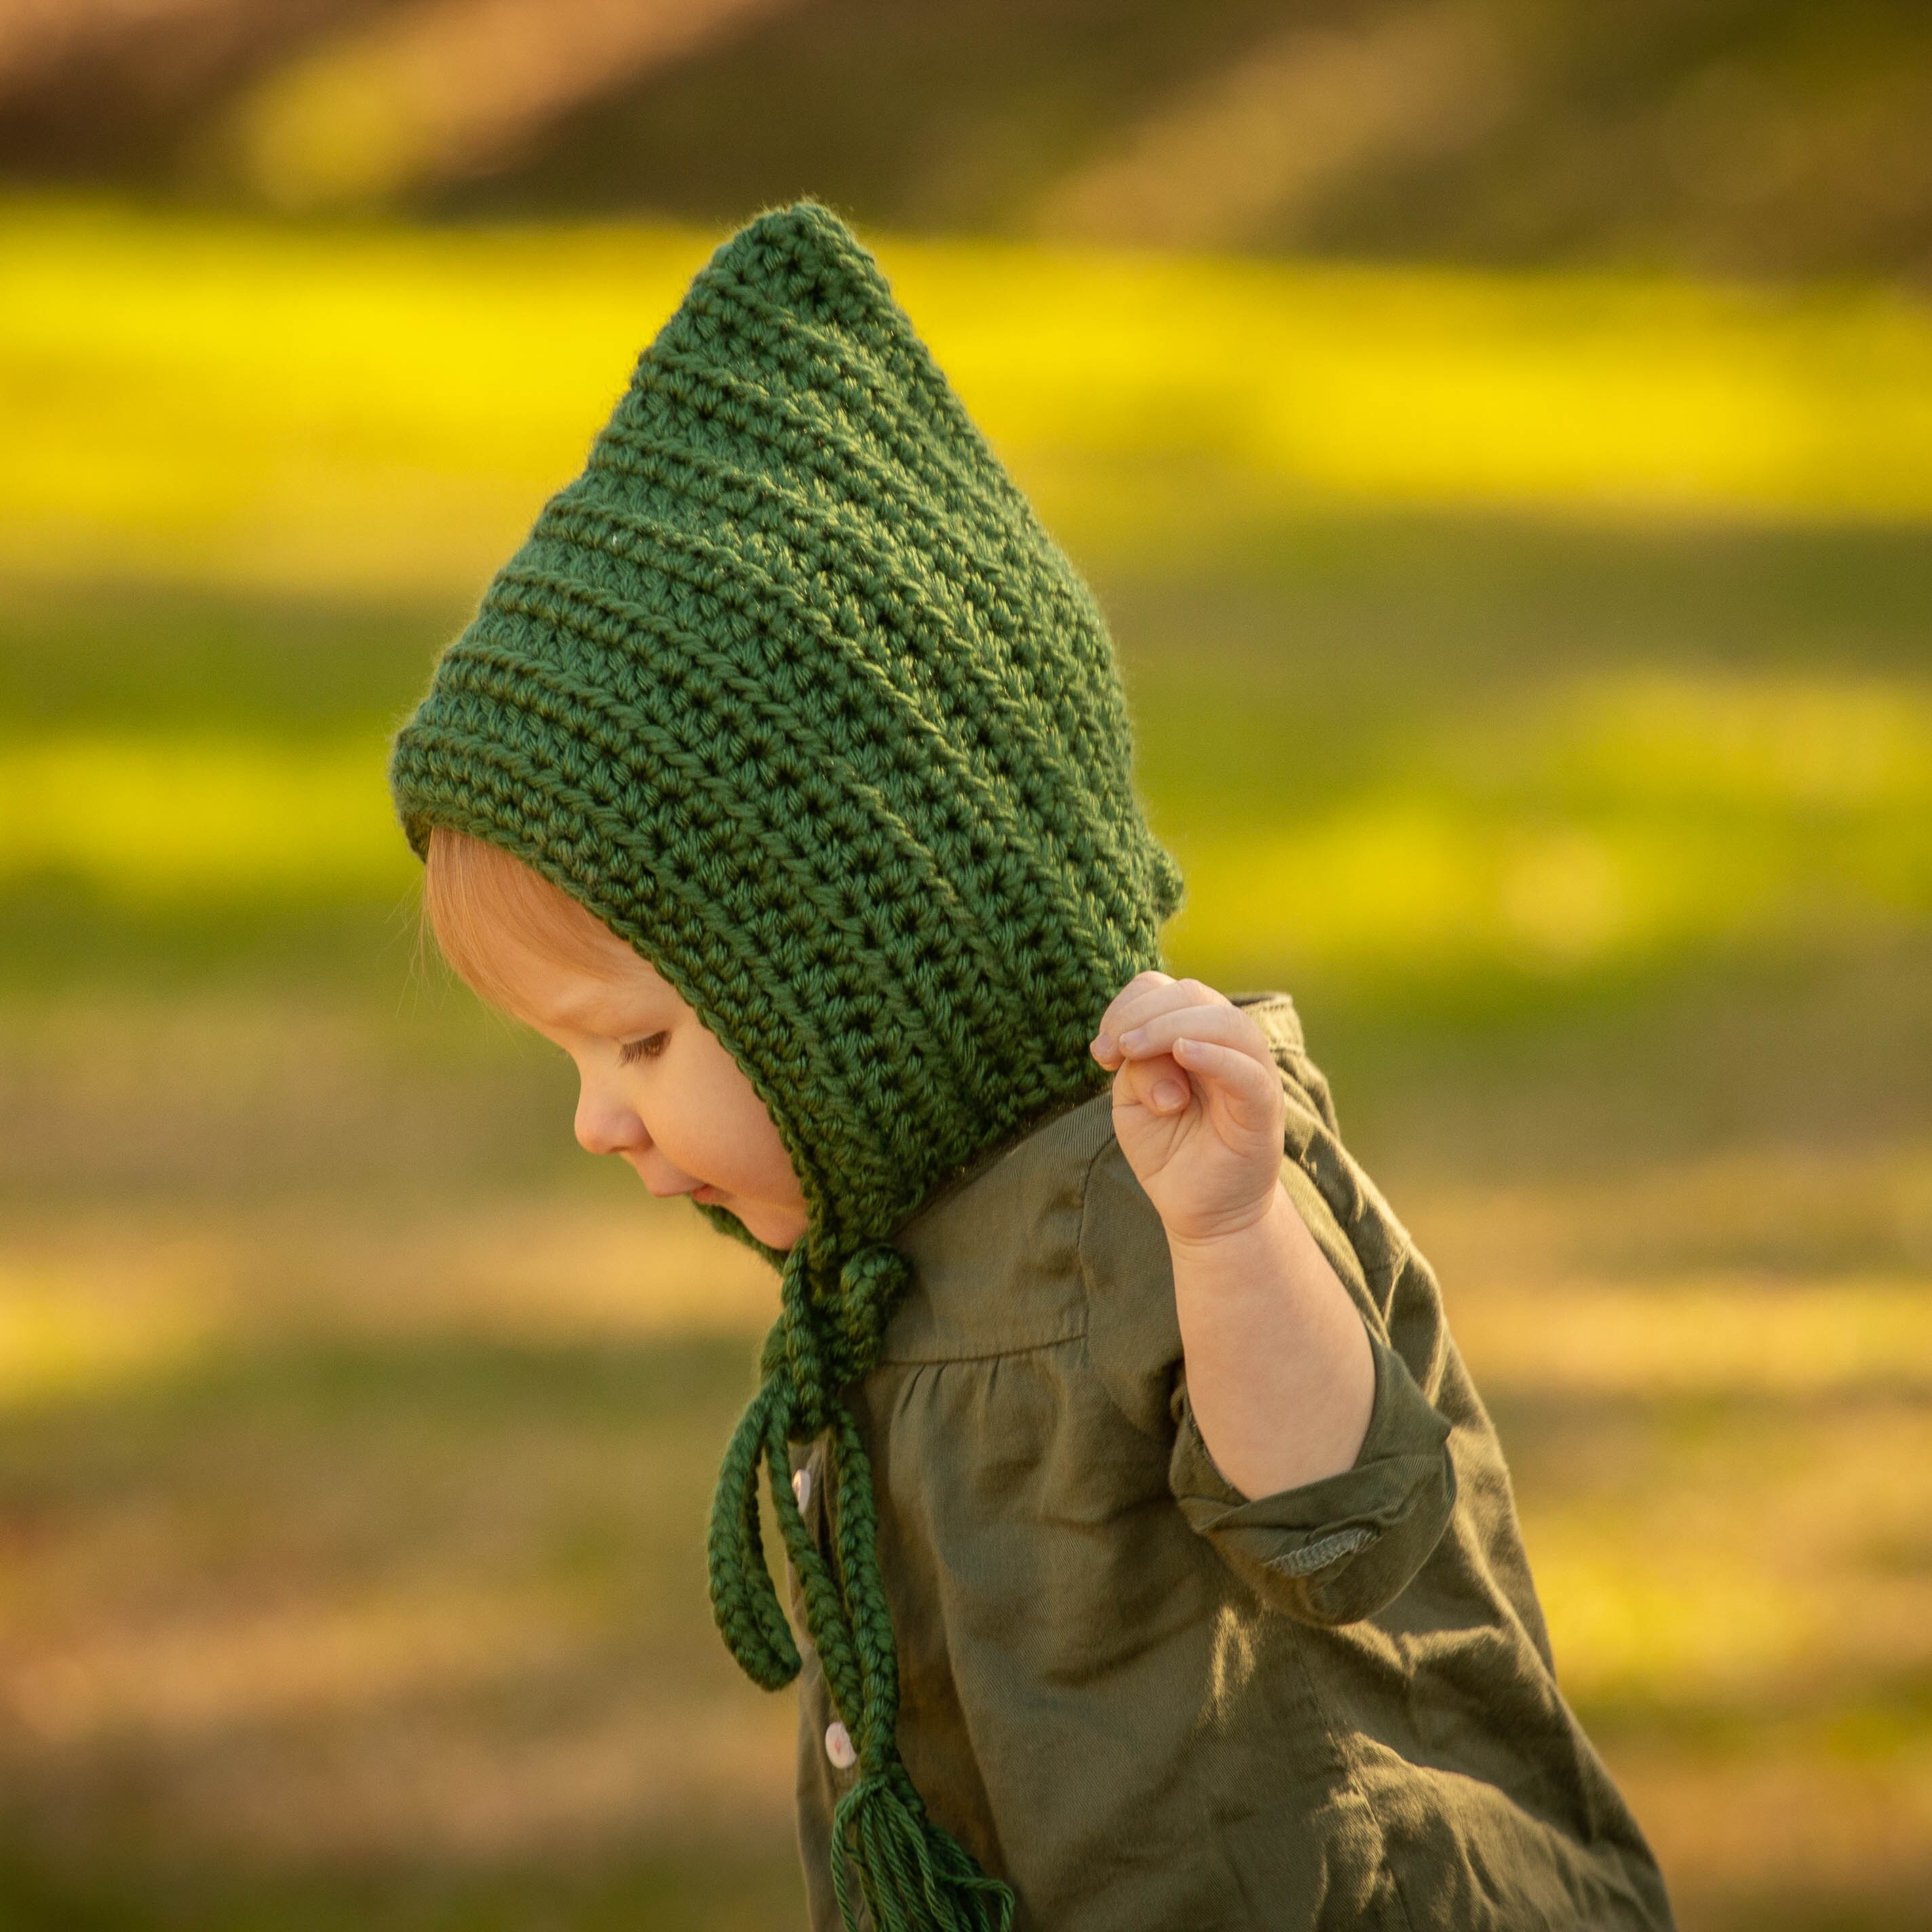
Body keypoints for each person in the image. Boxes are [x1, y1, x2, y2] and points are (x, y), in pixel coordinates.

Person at [389, 201, 1674, 1932]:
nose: (595, 1115)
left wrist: (1228, 1239)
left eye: (637, 1038)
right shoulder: (886, 1244)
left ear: (855, 957)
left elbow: (1338, 1523)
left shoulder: (1165, 1172)